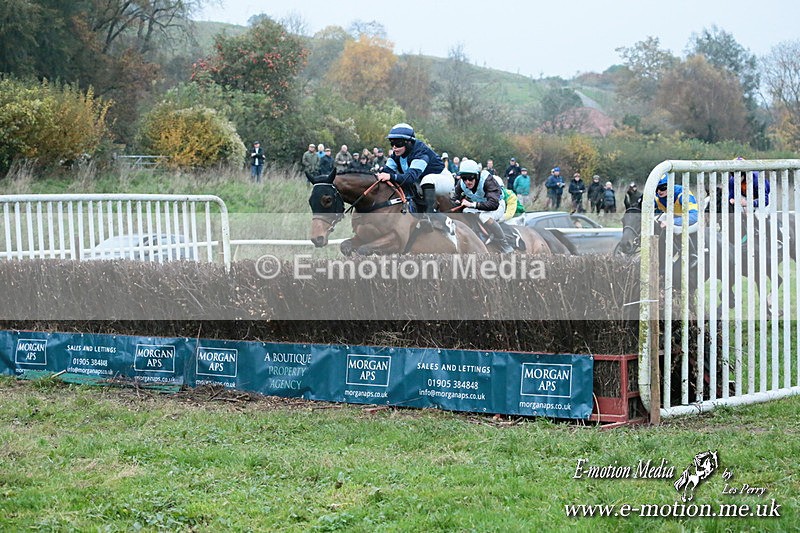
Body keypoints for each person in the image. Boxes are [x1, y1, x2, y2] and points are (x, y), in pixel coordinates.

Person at [376, 123, 452, 222]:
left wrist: (390, 176)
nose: (394, 147)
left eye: (398, 144)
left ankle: (430, 214)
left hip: (443, 180)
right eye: (392, 143)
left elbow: (409, 178)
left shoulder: (421, 153)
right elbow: (387, 171)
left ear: (408, 142)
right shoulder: (396, 155)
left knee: (426, 179)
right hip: (420, 182)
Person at [452, 159, 512, 253]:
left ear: (477, 175)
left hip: (497, 205)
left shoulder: (487, 180)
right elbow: (455, 197)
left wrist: (472, 204)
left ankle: (503, 243)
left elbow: (493, 204)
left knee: (484, 216)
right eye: (464, 177)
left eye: (470, 177)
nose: (467, 181)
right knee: (465, 211)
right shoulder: (461, 184)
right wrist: (457, 201)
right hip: (480, 206)